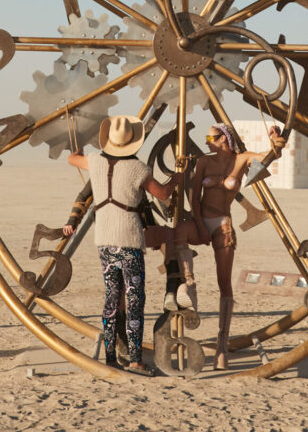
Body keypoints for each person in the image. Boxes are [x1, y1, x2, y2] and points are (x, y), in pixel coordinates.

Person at [64, 116, 181, 376]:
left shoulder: (95, 161)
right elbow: (162, 194)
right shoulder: (137, 169)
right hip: (129, 240)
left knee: (112, 299)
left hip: (104, 240)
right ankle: (136, 360)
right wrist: (178, 176)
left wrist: (77, 148)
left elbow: (72, 159)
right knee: (134, 299)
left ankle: (110, 357)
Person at [172, 123, 285, 370]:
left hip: (223, 224)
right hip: (202, 220)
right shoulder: (204, 162)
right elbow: (194, 198)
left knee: (225, 284)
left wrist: (275, 144)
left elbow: (265, 159)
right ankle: (189, 286)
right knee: (180, 231)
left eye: (211, 137)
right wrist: (200, 226)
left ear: (224, 138)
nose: (207, 141)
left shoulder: (242, 159)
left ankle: (222, 346)